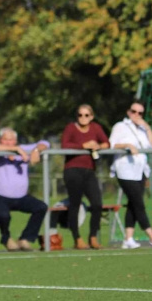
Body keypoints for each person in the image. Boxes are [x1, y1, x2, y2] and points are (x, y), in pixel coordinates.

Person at [109, 100, 152, 249]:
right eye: (134, 111)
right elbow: (111, 144)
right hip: (125, 169)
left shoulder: (143, 129)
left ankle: (128, 239)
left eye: (140, 113)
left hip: (140, 170)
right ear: (128, 112)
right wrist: (127, 145)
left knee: (133, 204)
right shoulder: (120, 126)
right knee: (138, 204)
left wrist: (147, 127)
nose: (136, 115)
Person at [0, 128, 49, 251]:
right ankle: (6, 238)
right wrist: (17, 150)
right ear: (0, 140)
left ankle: (25, 238)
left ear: (16, 140)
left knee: (41, 207)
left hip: (21, 197)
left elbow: (45, 143)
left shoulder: (24, 148)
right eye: (5, 139)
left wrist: (36, 150)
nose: (8, 142)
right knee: (4, 215)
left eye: (11, 140)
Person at [61, 104, 109, 249]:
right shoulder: (70, 128)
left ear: (92, 116)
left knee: (97, 203)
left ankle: (93, 236)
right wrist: (83, 146)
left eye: (86, 115)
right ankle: (77, 238)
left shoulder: (95, 128)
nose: (83, 118)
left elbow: (106, 143)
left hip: (89, 171)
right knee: (75, 204)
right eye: (80, 115)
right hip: (73, 170)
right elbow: (65, 145)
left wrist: (98, 146)